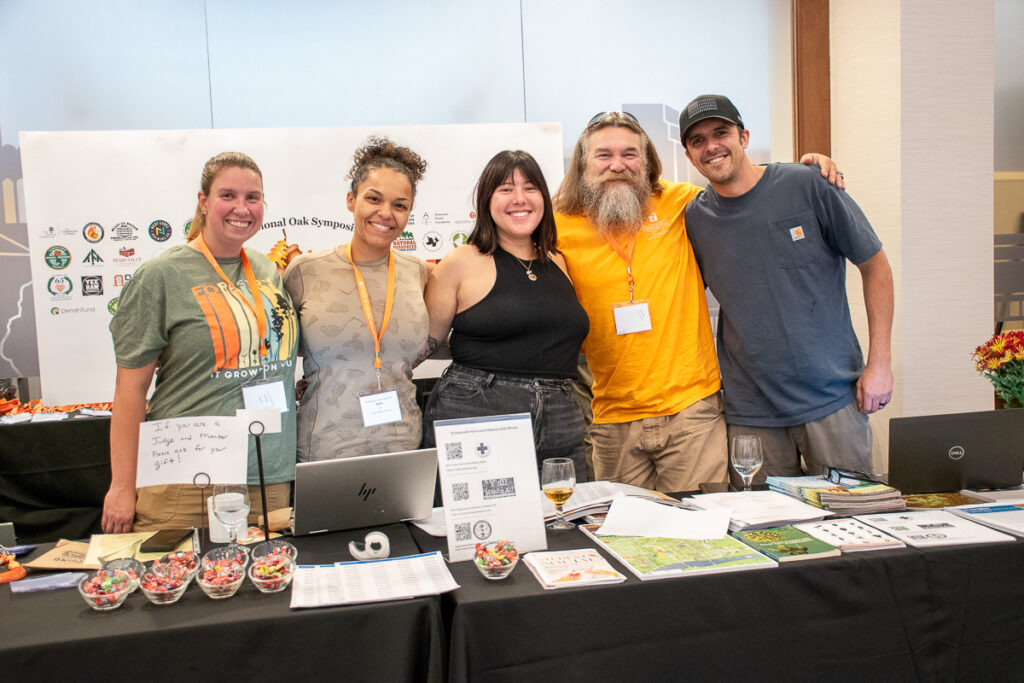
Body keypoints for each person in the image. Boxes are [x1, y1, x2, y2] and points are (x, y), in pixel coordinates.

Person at [553, 111, 842, 493]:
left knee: (703, 531)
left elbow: (743, 183)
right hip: (612, 419)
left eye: (630, 154)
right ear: (583, 164)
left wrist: (805, 169)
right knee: (627, 537)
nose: (617, 165)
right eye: (603, 155)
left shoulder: (682, 202)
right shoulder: (558, 226)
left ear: (647, 162)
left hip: (692, 414)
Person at [680, 94, 894, 484]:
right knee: (770, 534)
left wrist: (880, 364)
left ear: (744, 137)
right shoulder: (695, 218)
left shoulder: (808, 184)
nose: (711, 146)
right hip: (750, 414)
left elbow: (875, 265)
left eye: (721, 132)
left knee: (857, 524)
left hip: (831, 401)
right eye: (697, 140)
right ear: (689, 155)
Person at [102, 151, 299, 533]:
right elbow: (130, 390)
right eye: (228, 195)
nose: (241, 208)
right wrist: (122, 487)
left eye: (253, 198)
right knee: (180, 588)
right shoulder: (160, 276)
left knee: (265, 588)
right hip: (188, 476)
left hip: (267, 473)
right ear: (203, 201)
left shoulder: (266, 271)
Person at [421, 150, 590, 479]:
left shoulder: (559, 261)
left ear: (543, 196)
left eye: (529, 188)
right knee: (482, 525)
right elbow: (424, 345)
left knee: (563, 520)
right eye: (505, 189)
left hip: (561, 413)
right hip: (478, 408)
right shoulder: (459, 262)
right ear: (486, 200)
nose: (519, 199)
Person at [284, 137, 429, 461]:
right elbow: (276, 352)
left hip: (403, 448)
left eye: (400, 205)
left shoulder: (417, 272)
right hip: (323, 451)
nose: (385, 213)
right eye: (373, 199)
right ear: (351, 200)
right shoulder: (305, 271)